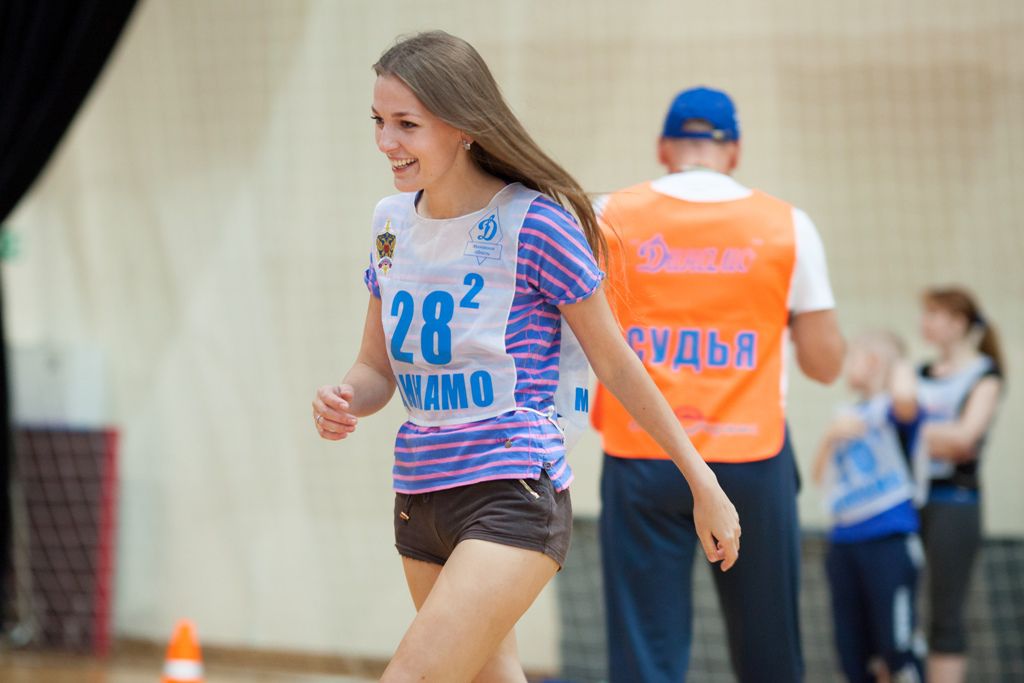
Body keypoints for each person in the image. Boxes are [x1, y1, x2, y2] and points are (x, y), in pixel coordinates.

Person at [310, 33, 741, 682]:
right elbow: (375, 367)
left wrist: (701, 481)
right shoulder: (390, 224)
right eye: (378, 120)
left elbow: (616, 363)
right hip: (420, 489)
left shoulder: (534, 223)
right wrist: (345, 396)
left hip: (510, 488)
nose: (385, 140)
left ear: (462, 126)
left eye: (406, 124)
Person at [592, 85, 845, 683]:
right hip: (749, 457)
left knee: (645, 657)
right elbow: (825, 364)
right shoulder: (787, 225)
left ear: (664, 148)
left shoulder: (608, 215)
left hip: (642, 454)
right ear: (734, 151)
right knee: (768, 651)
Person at [812, 331, 925, 683]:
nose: (846, 366)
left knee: (896, 649)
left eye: (854, 357)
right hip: (844, 542)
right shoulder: (844, 415)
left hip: (888, 540)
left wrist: (896, 362)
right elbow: (819, 478)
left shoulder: (894, 411)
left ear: (874, 362)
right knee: (852, 654)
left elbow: (905, 398)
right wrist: (829, 438)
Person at [915, 286, 1004, 683]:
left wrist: (916, 431)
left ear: (958, 322)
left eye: (933, 314)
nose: (924, 322)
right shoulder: (918, 373)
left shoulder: (985, 374)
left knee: (946, 613)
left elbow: (965, 438)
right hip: (909, 498)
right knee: (897, 609)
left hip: (955, 501)